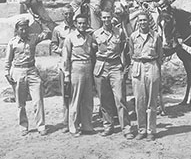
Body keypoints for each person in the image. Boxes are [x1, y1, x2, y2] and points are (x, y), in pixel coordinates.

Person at [4, 17, 51, 136]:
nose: (24, 32)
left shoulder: (33, 39)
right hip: (18, 72)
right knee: (20, 103)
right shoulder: (12, 42)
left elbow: (47, 33)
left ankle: (41, 126)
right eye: (21, 29)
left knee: (38, 100)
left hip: (32, 71)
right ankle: (23, 126)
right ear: (17, 30)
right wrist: (7, 73)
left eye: (26, 29)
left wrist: (40, 21)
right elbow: (8, 60)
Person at [92, 10, 134, 139]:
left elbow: (122, 48)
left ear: (112, 18)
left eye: (108, 17)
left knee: (120, 98)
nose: (106, 20)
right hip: (101, 67)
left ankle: (126, 128)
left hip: (115, 66)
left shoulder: (119, 32)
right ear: (101, 19)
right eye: (104, 18)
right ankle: (108, 126)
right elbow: (94, 49)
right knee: (104, 99)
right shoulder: (96, 34)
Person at [129, 12, 163, 141]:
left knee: (152, 101)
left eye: (145, 20)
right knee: (140, 101)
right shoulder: (133, 37)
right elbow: (131, 53)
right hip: (138, 67)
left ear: (149, 21)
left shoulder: (156, 36)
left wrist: (158, 72)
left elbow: (160, 55)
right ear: (138, 22)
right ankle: (141, 129)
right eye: (140, 20)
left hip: (152, 65)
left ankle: (151, 130)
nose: (143, 22)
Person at [62, 14, 96, 136]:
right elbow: (65, 57)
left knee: (88, 98)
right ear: (76, 24)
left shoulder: (89, 37)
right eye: (79, 23)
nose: (82, 25)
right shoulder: (70, 38)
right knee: (75, 99)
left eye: (84, 23)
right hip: (76, 67)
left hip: (88, 66)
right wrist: (66, 74)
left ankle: (87, 126)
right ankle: (73, 127)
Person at [50, 5, 76, 133]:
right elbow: (53, 46)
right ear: (63, 15)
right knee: (66, 95)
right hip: (64, 65)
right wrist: (64, 51)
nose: (69, 16)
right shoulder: (58, 29)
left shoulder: (78, 28)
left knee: (76, 94)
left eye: (71, 14)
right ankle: (66, 122)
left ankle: (76, 120)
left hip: (76, 65)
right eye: (66, 14)